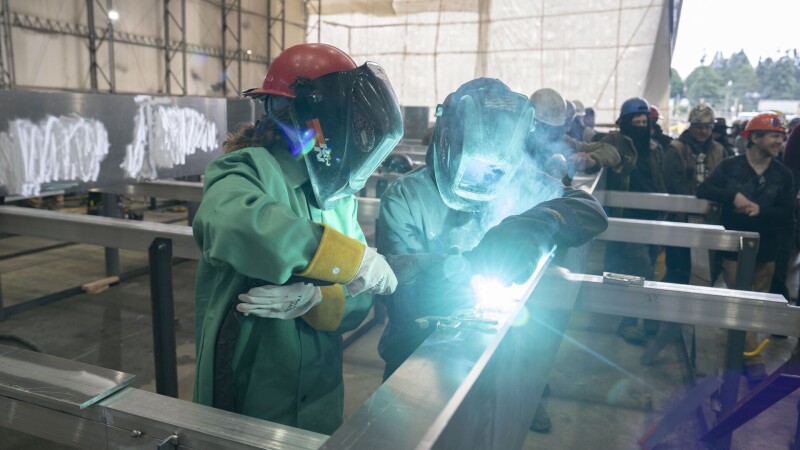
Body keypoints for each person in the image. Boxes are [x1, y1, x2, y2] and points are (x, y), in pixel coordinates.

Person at [376, 79, 609, 433]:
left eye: (494, 169)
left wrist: (539, 222)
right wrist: (473, 265)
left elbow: (590, 211)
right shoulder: (406, 196)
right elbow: (405, 300)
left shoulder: (512, 178)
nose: (484, 179)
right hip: (415, 354)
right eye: (475, 166)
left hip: (494, 352)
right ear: (449, 143)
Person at [192, 43, 401, 434]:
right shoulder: (246, 170)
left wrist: (319, 299)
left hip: (320, 397)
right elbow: (233, 222)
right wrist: (344, 259)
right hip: (249, 391)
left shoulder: (337, 198)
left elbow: (361, 295)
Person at [697, 112, 794, 387]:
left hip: (767, 250)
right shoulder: (730, 167)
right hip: (734, 248)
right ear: (755, 137)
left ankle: (740, 353)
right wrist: (734, 196)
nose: (780, 141)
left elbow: (787, 212)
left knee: (756, 305)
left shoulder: (783, 174)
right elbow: (704, 189)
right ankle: (752, 361)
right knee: (741, 301)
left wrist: (760, 210)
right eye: (774, 136)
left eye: (781, 137)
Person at [599, 97, 666, 344]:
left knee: (646, 269)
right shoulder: (616, 143)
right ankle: (629, 321)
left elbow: (659, 181)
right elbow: (599, 151)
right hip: (627, 218)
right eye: (635, 122)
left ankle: (646, 318)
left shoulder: (655, 149)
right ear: (625, 123)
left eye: (643, 122)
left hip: (652, 218)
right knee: (639, 271)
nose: (640, 126)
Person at [661, 103, 727, 285]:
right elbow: (672, 184)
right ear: (691, 126)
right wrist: (691, 207)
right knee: (678, 269)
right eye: (698, 126)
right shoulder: (675, 148)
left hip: (711, 217)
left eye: (707, 126)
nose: (703, 131)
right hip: (681, 216)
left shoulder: (719, 150)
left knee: (709, 270)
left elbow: (724, 181)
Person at [527, 88, 620, 182]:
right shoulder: (520, 145)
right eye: (544, 128)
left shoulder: (564, 142)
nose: (549, 134)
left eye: (554, 130)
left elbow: (611, 152)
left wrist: (591, 159)